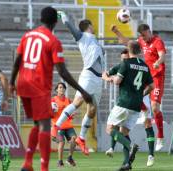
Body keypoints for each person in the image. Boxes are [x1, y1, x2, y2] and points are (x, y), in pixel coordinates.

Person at [10, 7, 92, 171]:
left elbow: (18, 59)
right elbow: (62, 71)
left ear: (41, 19)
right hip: (38, 86)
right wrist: (82, 91)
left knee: (36, 124)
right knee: (46, 127)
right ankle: (43, 167)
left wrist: (12, 82)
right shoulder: (53, 41)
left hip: (23, 84)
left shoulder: (27, 35)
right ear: (55, 22)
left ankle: (27, 163)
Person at [54, 11, 104, 155]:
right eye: (92, 25)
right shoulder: (82, 37)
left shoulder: (95, 41)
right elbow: (70, 27)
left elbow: (100, 59)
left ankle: (81, 138)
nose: (93, 27)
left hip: (98, 79)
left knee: (92, 110)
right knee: (77, 102)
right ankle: (56, 127)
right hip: (88, 76)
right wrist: (63, 15)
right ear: (88, 26)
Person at [111, 24, 166, 151]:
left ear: (149, 31)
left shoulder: (158, 42)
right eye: (141, 36)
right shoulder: (141, 41)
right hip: (145, 76)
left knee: (155, 108)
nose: (143, 38)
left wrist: (158, 62)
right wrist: (117, 32)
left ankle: (161, 137)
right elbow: (128, 43)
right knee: (135, 95)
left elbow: (162, 55)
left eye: (144, 35)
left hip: (157, 77)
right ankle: (145, 114)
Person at [105, 41, 154, 171]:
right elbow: (152, 86)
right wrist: (142, 94)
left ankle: (130, 145)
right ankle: (127, 164)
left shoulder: (126, 64)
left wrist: (109, 78)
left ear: (129, 49)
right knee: (124, 132)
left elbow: (117, 81)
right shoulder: (145, 66)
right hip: (136, 106)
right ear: (140, 51)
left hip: (124, 102)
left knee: (110, 130)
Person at [51, 82, 77, 167]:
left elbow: (71, 112)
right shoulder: (53, 100)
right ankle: (60, 162)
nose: (62, 89)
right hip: (58, 127)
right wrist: (51, 111)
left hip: (68, 126)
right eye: (60, 87)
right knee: (61, 142)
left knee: (74, 139)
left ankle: (69, 158)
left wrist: (72, 114)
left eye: (63, 88)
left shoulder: (68, 100)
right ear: (56, 90)